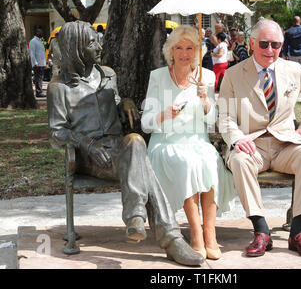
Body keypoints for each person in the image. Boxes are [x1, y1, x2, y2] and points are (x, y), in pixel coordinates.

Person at [47, 21, 203, 267]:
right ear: (75, 48)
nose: (99, 46)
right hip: (91, 157)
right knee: (143, 164)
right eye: (91, 43)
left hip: (120, 150)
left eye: (97, 40)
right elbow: (57, 133)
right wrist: (89, 146)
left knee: (135, 140)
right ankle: (169, 238)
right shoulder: (59, 88)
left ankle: (136, 218)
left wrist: (126, 103)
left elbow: (117, 102)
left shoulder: (108, 75)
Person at [218, 18, 301, 258]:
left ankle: (298, 232)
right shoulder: (233, 74)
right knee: (239, 161)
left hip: (286, 145)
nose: (270, 50)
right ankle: (261, 230)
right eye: (264, 44)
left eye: (276, 45)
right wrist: (237, 139)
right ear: (251, 43)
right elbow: (225, 117)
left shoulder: (293, 70)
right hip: (251, 145)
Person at [141, 25, 235, 261]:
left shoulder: (208, 76)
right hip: (166, 142)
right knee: (187, 162)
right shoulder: (158, 76)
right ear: (171, 51)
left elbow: (211, 121)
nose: (184, 53)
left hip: (197, 140)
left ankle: (209, 234)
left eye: (189, 48)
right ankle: (195, 234)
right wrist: (163, 114)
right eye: (179, 48)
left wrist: (206, 101)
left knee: (210, 160)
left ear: (197, 52)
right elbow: (145, 123)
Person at [29, 28, 47, 97]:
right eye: (40, 32)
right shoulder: (33, 41)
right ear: (37, 33)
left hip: (42, 63)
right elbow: (32, 53)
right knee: (38, 78)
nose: (42, 33)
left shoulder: (39, 41)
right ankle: (38, 92)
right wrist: (35, 63)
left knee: (40, 78)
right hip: (37, 64)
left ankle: (40, 91)